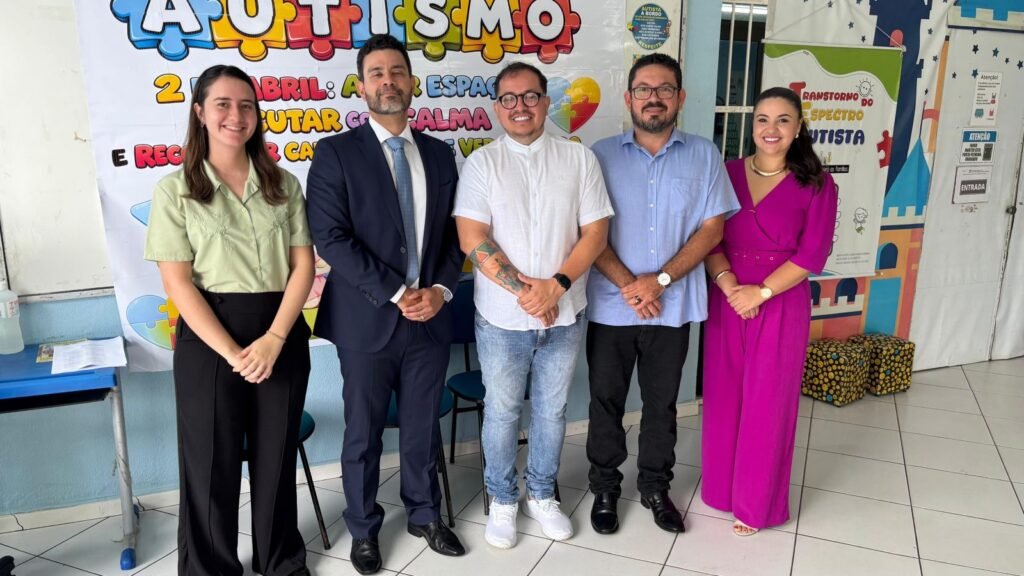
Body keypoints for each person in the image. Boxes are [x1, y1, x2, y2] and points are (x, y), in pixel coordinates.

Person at [145, 64, 315, 576]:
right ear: (200, 112)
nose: (235, 116)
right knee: (209, 463)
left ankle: (280, 560)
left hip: (279, 331)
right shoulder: (175, 189)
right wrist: (234, 353)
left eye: (246, 105)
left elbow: (303, 267)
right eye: (222, 104)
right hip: (209, 338)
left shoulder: (283, 184)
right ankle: (209, 568)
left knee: (275, 457)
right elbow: (178, 283)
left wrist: (274, 339)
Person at [305, 34, 466, 574]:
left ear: (412, 82)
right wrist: (398, 293)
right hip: (367, 321)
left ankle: (425, 514)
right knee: (363, 432)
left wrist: (440, 291)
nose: (388, 81)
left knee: (422, 427)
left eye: (397, 71)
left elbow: (456, 236)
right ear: (361, 86)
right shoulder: (335, 153)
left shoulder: (440, 154)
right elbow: (331, 238)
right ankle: (364, 528)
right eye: (376, 73)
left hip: (430, 319)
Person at [454, 62, 613, 549]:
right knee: (502, 412)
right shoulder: (483, 163)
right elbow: (472, 237)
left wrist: (556, 287)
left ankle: (542, 493)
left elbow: (595, 233)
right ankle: (502, 498)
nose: (519, 106)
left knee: (551, 411)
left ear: (546, 102)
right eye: (509, 98)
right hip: (502, 320)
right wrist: (529, 292)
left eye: (529, 97)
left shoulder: (578, 158)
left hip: (565, 314)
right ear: (497, 107)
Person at [586, 53, 739, 535]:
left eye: (664, 89)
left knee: (662, 405)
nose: (654, 97)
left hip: (672, 308)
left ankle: (655, 486)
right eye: (644, 89)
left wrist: (660, 281)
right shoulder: (597, 155)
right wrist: (632, 286)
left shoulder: (705, 155)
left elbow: (712, 230)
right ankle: (605, 488)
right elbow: (587, 231)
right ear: (629, 98)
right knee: (605, 402)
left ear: (680, 97)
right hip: (611, 306)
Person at [700, 86, 838, 536]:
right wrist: (729, 285)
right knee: (724, 397)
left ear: (798, 128)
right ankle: (721, 490)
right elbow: (709, 239)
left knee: (767, 402)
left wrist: (759, 293)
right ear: (752, 125)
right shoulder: (726, 172)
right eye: (763, 119)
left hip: (779, 302)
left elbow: (812, 254)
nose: (771, 129)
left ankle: (756, 504)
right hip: (728, 298)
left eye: (783, 120)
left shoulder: (817, 184)